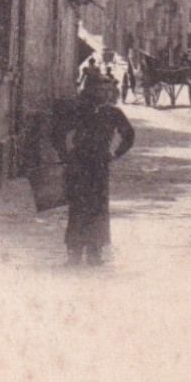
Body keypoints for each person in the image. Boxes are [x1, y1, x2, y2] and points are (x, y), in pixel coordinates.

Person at [52, 75, 135, 266]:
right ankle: (74, 252)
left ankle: (95, 251)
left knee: (98, 207)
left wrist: (116, 153)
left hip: (100, 165)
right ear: (90, 90)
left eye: (108, 91)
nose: (105, 94)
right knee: (78, 207)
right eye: (100, 90)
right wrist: (65, 155)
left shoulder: (114, 113)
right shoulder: (77, 110)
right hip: (79, 163)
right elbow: (57, 132)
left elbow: (129, 135)